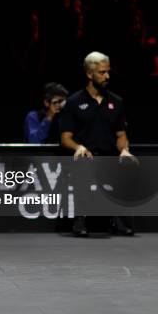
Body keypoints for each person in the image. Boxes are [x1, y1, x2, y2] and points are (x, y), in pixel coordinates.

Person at [60, 51, 136, 237]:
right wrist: (78, 147)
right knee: (83, 164)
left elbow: (121, 135)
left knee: (125, 163)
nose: (107, 76)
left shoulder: (117, 102)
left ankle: (117, 218)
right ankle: (80, 219)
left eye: (108, 72)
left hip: (109, 156)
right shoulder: (74, 102)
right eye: (102, 72)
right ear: (89, 74)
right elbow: (65, 138)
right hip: (85, 157)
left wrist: (124, 150)